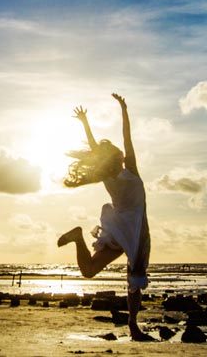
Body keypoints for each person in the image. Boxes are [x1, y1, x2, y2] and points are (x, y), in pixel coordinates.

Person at [57, 93, 153, 341]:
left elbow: (95, 148)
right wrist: (123, 109)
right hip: (135, 229)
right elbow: (127, 136)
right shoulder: (130, 169)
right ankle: (133, 326)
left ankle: (78, 238)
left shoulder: (106, 176)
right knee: (136, 276)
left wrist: (85, 123)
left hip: (116, 227)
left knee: (89, 271)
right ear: (119, 157)